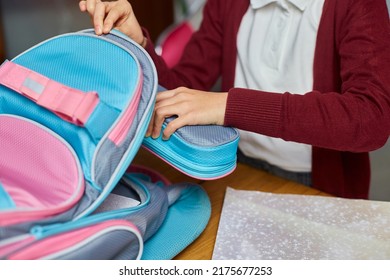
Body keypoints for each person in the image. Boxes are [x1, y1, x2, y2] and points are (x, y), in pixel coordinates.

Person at [80, 0, 390, 199]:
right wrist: (141, 44)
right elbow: (182, 89)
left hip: (321, 186)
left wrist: (228, 106)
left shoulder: (359, 5)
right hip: (236, 171)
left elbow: (371, 117)